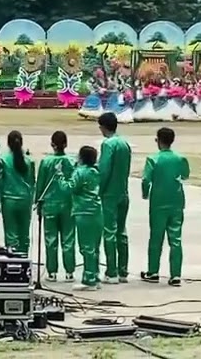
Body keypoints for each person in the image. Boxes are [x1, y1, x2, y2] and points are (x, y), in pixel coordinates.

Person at [141, 127, 190, 287]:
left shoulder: (152, 159)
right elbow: (185, 175)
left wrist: (145, 194)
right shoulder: (180, 159)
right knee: (175, 238)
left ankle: (153, 271)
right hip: (176, 201)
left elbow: (145, 180)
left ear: (158, 140)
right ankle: (175, 274)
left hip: (158, 202)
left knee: (156, 237)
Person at [57, 145, 102, 291]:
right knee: (94, 246)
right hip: (96, 211)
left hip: (84, 211)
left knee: (86, 247)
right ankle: (95, 274)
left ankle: (89, 280)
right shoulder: (95, 171)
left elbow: (68, 188)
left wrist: (59, 176)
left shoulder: (79, 172)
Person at [36, 130, 76, 283]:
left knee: (50, 239)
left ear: (52, 144)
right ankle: (69, 272)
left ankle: (52, 272)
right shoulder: (72, 162)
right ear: (65, 144)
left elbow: (40, 184)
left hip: (50, 205)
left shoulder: (46, 162)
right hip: (68, 205)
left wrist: (37, 202)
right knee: (69, 238)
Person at [96, 112, 132, 284]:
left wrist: (98, 190)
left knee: (109, 232)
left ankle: (111, 271)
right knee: (121, 232)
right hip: (123, 192)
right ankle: (123, 270)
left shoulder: (108, 144)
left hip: (109, 194)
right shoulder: (125, 144)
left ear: (103, 127)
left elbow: (104, 170)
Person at [0, 130, 35, 257]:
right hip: (25, 199)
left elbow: (0, 181)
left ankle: (12, 259)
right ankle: (24, 257)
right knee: (24, 232)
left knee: (11, 232)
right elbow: (32, 182)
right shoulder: (29, 161)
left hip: (9, 199)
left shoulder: (3, 159)